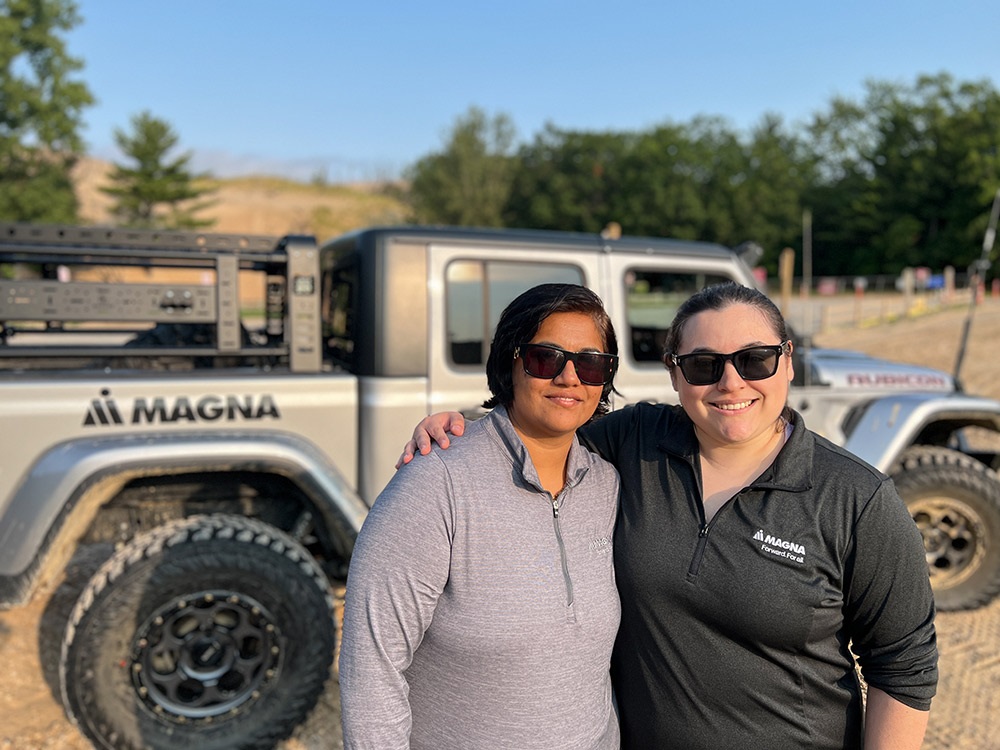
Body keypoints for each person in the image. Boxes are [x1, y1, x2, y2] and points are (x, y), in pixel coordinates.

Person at [398, 281, 938, 750]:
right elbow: (543, 421)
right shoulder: (633, 442)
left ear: (788, 360)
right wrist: (464, 426)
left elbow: (904, 664)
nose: (731, 383)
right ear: (674, 375)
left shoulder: (855, 498)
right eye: (703, 365)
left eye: (755, 360)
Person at [339, 283, 623, 749]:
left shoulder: (608, 484)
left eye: (591, 363)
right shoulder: (435, 483)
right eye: (545, 358)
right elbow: (373, 665)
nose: (570, 378)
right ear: (509, 362)